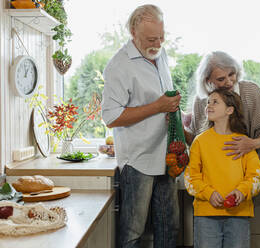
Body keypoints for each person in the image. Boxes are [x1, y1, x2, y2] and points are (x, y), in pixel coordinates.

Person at [101, 4, 180, 248]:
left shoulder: (160, 54)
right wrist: (158, 107)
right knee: (132, 233)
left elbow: (163, 100)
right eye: (151, 39)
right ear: (133, 33)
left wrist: (173, 112)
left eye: (161, 36)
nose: (158, 43)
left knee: (169, 228)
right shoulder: (119, 65)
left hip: (165, 155)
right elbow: (111, 116)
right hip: (137, 160)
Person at [184, 51, 260, 204]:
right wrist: (178, 123)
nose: (229, 82)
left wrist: (252, 144)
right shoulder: (201, 101)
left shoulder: (250, 92)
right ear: (208, 80)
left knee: (242, 223)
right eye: (221, 79)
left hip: (246, 180)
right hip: (212, 184)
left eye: (232, 74)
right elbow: (195, 140)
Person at [184, 88, 260, 248]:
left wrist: (241, 191)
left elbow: (256, 177)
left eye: (215, 102)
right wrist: (209, 193)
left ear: (229, 110)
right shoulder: (200, 142)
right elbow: (191, 178)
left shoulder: (243, 142)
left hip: (239, 215)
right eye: (208, 102)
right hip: (206, 215)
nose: (208, 106)